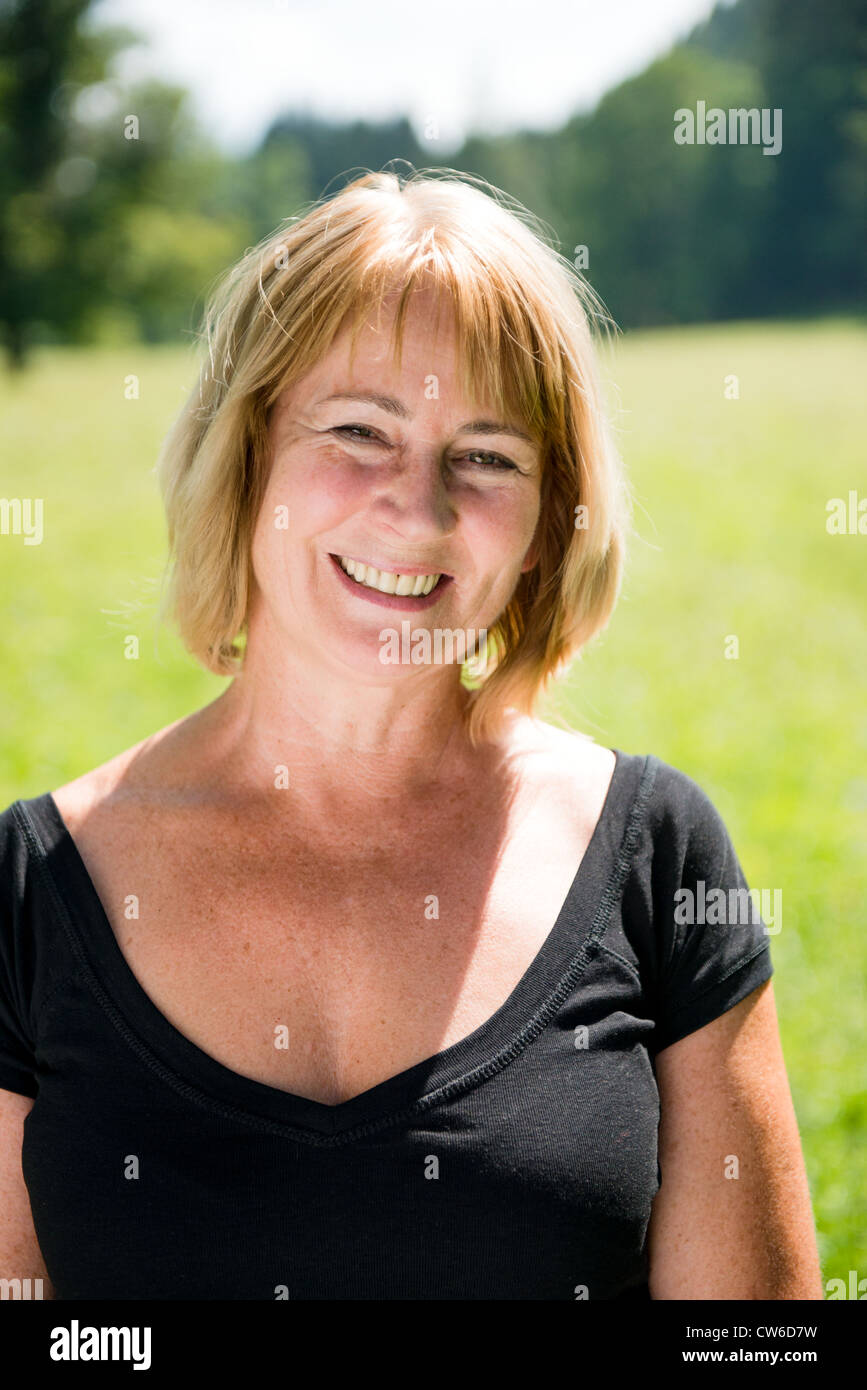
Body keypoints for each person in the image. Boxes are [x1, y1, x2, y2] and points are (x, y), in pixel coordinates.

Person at [0, 169, 822, 1300]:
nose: (419, 508)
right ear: (247, 459)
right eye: (357, 430)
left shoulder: (659, 857)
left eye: (486, 457)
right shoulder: (35, 887)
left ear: (547, 523)